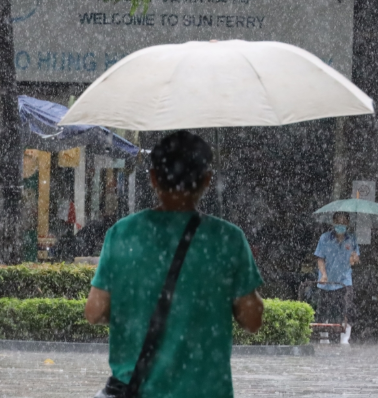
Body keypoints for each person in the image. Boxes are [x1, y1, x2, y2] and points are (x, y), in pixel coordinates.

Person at [85, 130, 264, 398]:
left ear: (154, 178)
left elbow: (94, 311)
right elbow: (252, 320)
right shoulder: (227, 238)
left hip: (138, 389)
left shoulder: (123, 234)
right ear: (207, 180)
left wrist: (136, 307)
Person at [314, 212, 359, 344]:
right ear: (333, 223)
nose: (341, 225)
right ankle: (324, 337)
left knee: (346, 307)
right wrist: (323, 274)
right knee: (323, 310)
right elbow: (320, 258)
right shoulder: (325, 238)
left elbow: (355, 260)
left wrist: (355, 259)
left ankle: (345, 338)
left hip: (344, 280)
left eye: (343, 222)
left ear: (348, 224)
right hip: (326, 281)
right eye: (338, 222)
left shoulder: (352, 239)